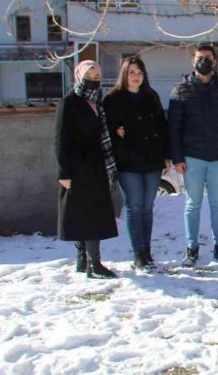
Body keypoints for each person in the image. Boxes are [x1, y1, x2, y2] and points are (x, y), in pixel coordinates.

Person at [168, 44, 218, 267]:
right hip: (192, 158)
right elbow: (174, 128)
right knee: (193, 204)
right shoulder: (180, 90)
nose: (204, 61)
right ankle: (192, 249)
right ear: (193, 61)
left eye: (208, 57)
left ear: (215, 61)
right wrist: (177, 158)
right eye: (200, 57)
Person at [104, 57, 169, 271]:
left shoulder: (151, 96)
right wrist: (120, 139)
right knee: (134, 206)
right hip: (128, 163)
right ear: (124, 74)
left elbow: (162, 127)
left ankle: (147, 251)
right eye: (131, 72)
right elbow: (108, 134)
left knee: (147, 208)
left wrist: (165, 156)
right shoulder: (112, 99)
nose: (136, 76)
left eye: (139, 72)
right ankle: (138, 253)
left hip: (152, 160)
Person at [55, 60, 118, 279]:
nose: (93, 81)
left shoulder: (98, 102)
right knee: (85, 216)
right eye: (88, 77)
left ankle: (84, 261)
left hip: (97, 168)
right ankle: (93, 263)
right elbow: (60, 139)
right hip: (78, 169)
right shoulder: (69, 102)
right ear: (78, 77)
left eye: (96, 77)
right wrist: (64, 172)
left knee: (90, 215)